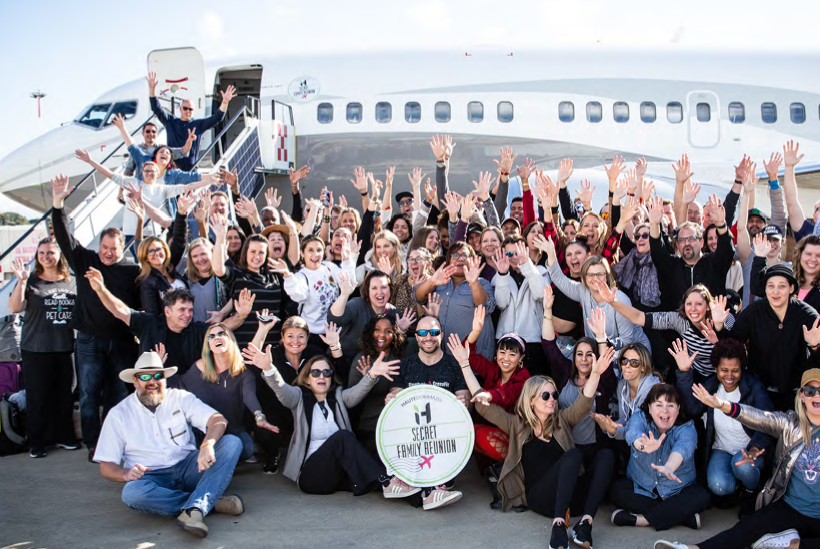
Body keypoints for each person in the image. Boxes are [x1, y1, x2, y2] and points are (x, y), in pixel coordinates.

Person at [654, 368, 820, 549]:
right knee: (745, 529)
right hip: (791, 508)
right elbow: (759, 418)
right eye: (810, 391)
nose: (816, 396)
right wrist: (722, 405)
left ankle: (794, 544)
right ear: (802, 396)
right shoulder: (791, 424)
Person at [471, 346, 615, 549]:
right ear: (531, 400)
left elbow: (583, 402)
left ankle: (585, 523)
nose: (552, 400)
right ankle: (558, 526)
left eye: (554, 395)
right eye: (545, 396)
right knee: (574, 455)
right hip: (541, 498)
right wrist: (465, 366)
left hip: (573, 499)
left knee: (606, 456)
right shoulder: (517, 425)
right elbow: (480, 405)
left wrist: (596, 373)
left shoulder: (562, 420)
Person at [93, 351, 244, 539]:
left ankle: (199, 504)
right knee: (132, 494)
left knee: (232, 443)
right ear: (135, 381)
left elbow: (217, 420)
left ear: (164, 379)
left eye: (158, 376)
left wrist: (207, 444)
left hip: (190, 467)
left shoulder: (180, 398)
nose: (152, 382)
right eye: (145, 377)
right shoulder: (119, 414)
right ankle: (204, 503)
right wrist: (125, 474)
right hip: (151, 475)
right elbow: (106, 466)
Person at [243, 340, 415, 500]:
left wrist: (372, 374)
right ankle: (387, 482)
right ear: (307, 379)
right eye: (315, 373)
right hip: (312, 476)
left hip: (338, 473)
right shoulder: (298, 398)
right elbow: (281, 389)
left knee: (373, 472)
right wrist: (269, 369)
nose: (321, 377)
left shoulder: (339, 397)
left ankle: (418, 494)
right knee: (343, 437)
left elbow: (357, 392)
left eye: (326, 372)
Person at [50, 174, 141, 460]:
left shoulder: (130, 270)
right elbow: (64, 238)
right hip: (88, 340)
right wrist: (58, 204)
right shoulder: (85, 260)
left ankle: (115, 442)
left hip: (121, 343)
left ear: (121, 248)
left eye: (114, 249)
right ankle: (93, 444)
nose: (109, 254)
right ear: (99, 245)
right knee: (89, 394)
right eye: (105, 248)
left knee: (118, 395)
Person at [672, 338, 774, 514]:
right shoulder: (712, 385)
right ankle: (735, 489)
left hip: (749, 450)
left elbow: (769, 421)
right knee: (719, 486)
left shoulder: (753, 386)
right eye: (724, 370)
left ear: (742, 369)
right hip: (722, 449)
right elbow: (692, 408)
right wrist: (684, 371)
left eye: (735, 370)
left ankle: (751, 493)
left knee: (742, 466)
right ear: (716, 369)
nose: (729, 376)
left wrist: (755, 449)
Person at [86, 272, 252, 377]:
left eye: (190, 310)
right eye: (181, 310)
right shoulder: (149, 323)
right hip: (155, 388)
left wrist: (242, 315)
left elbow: (224, 327)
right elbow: (119, 310)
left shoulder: (196, 329)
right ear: (167, 311)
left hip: (189, 392)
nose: (187, 315)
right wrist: (101, 290)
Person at [386, 315, 470, 509]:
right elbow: (395, 394)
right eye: (423, 333)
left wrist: (463, 403)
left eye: (433, 332)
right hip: (413, 433)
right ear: (416, 337)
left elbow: (464, 400)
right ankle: (424, 488)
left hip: (445, 434)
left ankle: (435, 487)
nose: (428, 337)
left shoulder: (454, 364)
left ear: (441, 335)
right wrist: (391, 399)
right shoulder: (405, 365)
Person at [7, 240, 77, 458]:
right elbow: (15, 307)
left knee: (64, 396)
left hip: (64, 347)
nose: (47, 256)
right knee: (38, 397)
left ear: (59, 255)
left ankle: (65, 437)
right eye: (42, 253)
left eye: (51, 252)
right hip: (35, 349)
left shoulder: (72, 282)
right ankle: (37, 443)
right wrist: (21, 282)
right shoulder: (30, 281)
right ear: (37, 256)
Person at [609, 384, 710, 531]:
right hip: (643, 488)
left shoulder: (687, 426)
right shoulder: (639, 417)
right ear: (649, 407)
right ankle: (681, 516)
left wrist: (669, 467)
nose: (665, 411)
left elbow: (683, 448)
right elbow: (632, 434)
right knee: (617, 491)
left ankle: (641, 520)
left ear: (678, 409)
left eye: (670, 405)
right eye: (659, 405)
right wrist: (643, 446)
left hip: (677, 490)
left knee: (702, 496)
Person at [721, 264, 820, 411]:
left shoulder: (808, 315)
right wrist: (719, 327)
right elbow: (731, 344)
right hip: (759, 388)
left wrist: (814, 346)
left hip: (795, 392)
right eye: (771, 286)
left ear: (791, 289)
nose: (775, 291)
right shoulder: (753, 311)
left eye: (782, 286)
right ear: (765, 289)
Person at [179, 323, 279, 462]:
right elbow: (179, 387)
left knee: (247, 449)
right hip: (205, 431)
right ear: (208, 345)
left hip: (233, 429)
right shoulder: (199, 368)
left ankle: (222, 456)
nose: (216, 338)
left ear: (231, 339)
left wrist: (259, 416)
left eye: (221, 334)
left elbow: (249, 396)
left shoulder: (243, 372)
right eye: (211, 336)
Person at [597, 283, 733, 382]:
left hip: (727, 373)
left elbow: (739, 351)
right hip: (698, 373)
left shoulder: (723, 317)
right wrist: (613, 302)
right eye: (689, 303)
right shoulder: (680, 320)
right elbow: (639, 317)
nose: (693, 309)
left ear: (708, 306)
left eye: (699, 304)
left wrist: (720, 329)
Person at [448, 305, 531, 462]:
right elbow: (468, 356)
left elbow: (506, 395)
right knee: (466, 432)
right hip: (488, 429)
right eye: (502, 352)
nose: (506, 358)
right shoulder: (492, 369)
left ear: (521, 358)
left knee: (471, 433)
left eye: (512, 354)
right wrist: (476, 332)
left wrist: (487, 395)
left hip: (512, 435)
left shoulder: (524, 377)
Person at [74, 150, 221, 238]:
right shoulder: (133, 183)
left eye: (153, 171)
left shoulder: (162, 189)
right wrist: (90, 161)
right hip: (132, 232)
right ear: (142, 173)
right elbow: (109, 174)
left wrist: (209, 180)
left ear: (157, 174)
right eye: (147, 171)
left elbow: (187, 186)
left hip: (153, 233)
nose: (150, 173)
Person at [541, 235, 651, 351]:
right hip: (602, 352)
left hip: (633, 353)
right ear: (584, 278)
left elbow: (627, 340)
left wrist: (601, 343)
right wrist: (551, 253)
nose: (595, 278)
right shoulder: (583, 291)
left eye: (599, 274)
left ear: (607, 276)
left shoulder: (620, 299)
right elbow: (559, 279)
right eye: (590, 275)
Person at [249, 314, 325, 474]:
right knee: (266, 432)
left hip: (304, 409)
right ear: (282, 337)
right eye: (290, 336)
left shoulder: (314, 354)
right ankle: (272, 453)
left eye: (300, 337)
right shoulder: (274, 354)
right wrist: (262, 329)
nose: (295, 341)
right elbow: (253, 360)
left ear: (307, 337)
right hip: (276, 409)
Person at [413, 241, 497, 360]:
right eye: (455, 256)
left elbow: (486, 306)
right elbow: (417, 296)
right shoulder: (438, 282)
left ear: (472, 259)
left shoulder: (482, 283)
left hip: (473, 359)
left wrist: (473, 283)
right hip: (441, 358)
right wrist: (432, 281)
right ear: (448, 260)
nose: (460, 259)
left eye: (464, 255)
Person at [647, 195, 735, 305]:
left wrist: (721, 224)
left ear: (702, 242)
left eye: (691, 239)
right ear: (678, 245)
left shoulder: (714, 263)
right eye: (682, 240)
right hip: (676, 320)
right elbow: (657, 251)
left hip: (710, 320)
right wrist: (654, 225)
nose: (687, 243)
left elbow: (727, 250)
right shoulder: (672, 266)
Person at [147, 71, 237, 171]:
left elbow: (217, 118)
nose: (188, 111)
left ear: (193, 111)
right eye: (185, 108)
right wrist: (152, 90)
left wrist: (225, 102)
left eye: (190, 109)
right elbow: (156, 108)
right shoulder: (170, 121)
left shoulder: (198, 125)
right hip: (173, 169)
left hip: (191, 169)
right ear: (180, 109)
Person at [273, 236, 356, 343]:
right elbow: (299, 295)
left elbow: (350, 284)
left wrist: (347, 260)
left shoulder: (329, 267)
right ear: (302, 253)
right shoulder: (301, 276)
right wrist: (287, 275)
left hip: (335, 330)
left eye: (319, 250)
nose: (315, 254)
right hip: (313, 334)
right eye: (310, 250)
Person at [328, 269, 408, 372]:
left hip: (372, 368)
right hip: (343, 362)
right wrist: (344, 294)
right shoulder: (357, 305)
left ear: (390, 290)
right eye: (374, 288)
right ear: (367, 291)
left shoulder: (394, 313)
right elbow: (334, 319)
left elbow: (395, 349)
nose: (379, 292)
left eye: (383, 287)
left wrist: (400, 331)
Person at [348, 315, 408, 451]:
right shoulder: (362, 359)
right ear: (370, 332)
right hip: (368, 427)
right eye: (377, 330)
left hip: (396, 427)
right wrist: (367, 379)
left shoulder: (399, 358)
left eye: (388, 331)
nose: (382, 335)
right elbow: (350, 400)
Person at [492, 237, 550, 374]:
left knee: (530, 383)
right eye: (509, 254)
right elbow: (501, 303)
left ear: (526, 251)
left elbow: (541, 294)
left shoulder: (540, 271)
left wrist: (526, 265)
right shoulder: (499, 276)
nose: (514, 257)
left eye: (517, 252)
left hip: (532, 339)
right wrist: (502, 274)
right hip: (506, 339)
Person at [593, 343, 661, 442]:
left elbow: (638, 429)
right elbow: (624, 419)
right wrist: (610, 424)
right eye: (624, 361)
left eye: (634, 362)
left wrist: (614, 430)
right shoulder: (622, 385)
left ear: (643, 367)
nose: (627, 366)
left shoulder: (652, 390)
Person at [135, 197, 191, 314]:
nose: (156, 253)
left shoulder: (170, 266)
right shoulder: (148, 282)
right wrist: (140, 221)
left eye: (159, 249)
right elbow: (153, 315)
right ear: (145, 257)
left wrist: (181, 213)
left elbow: (179, 240)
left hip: (188, 325)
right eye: (151, 251)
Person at [184, 237, 232, 324]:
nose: (200, 259)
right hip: (195, 331)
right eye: (195, 256)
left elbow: (236, 296)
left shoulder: (223, 274)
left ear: (212, 253)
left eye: (203, 254)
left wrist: (222, 313)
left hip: (219, 329)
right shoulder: (187, 278)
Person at [122, 121, 190, 177]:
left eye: (153, 131)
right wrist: (121, 192)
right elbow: (128, 171)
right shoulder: (137, 150)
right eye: (148, 131)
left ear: (157, 134)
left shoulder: (163, 150)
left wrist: (190, 141)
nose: (151, 134)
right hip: (141, 185)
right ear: (143, 133)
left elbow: (183, 151)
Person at [790, 234, 820, 310]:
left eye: (818, 255)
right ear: (800, 255)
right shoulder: (789, 283)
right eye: (808, 254)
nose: (813, 259)